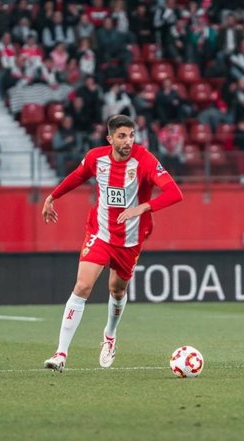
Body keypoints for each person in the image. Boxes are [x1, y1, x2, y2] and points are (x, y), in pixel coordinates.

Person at [41, 115, 183, 372]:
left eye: (131, 135)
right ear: (110, 139)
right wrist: (52, 196)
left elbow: (175, 192)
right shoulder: (97, 158)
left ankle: (109, 336)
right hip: (100, 232)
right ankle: (61, 353)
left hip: (130, 239)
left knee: (117, 291)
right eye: (122, 136)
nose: (128, 141)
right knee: (83, 286)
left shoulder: (145, 160)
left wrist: (143, 207)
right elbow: (77, 175)